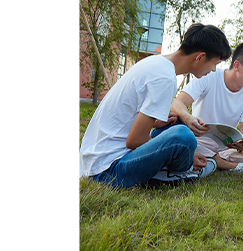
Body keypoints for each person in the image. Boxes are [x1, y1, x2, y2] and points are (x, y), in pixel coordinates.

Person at [79, 23, 232, 188]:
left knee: (178, 122)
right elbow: (134, 141)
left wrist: (158, 122)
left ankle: (171, 167)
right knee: (183, 137)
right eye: (215, 63)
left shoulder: (156, 63)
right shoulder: (165, 78)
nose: (215, 70)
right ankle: (183, 171)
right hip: (108, 171)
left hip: (96, 160)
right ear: (200, 57)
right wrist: (190, 156)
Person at [153, 42, 243, 178]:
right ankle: (229, 165)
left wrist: (242, 144)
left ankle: (210, 159)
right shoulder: (209, 75)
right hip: (199, 139)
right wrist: (188, 118)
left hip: (226, 146)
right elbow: (177, 103)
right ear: (237, 65)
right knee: (182, 140)